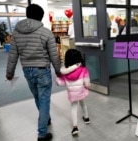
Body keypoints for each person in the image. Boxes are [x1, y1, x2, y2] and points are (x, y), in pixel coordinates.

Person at [6, 4, 61, 141]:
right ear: (41, 16)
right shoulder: (46, 32)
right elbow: (54, 55)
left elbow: (13, 55)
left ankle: (46, 118)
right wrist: (58, 70)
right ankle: (42, 134)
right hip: (42, 70)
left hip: (27, 71)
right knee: (44, 100)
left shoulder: (17, 33)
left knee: (38, 97)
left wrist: (9, 73)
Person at [56, 49, 91, 136]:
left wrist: (57, 80)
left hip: (72, 94)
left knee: (73, 108)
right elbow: (87, 82)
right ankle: (86, 118)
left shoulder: (65, 71)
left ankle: (75, 127)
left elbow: (62, 83)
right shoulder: (83, 69)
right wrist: (87, 86)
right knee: (83, 103)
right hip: (81, 91)